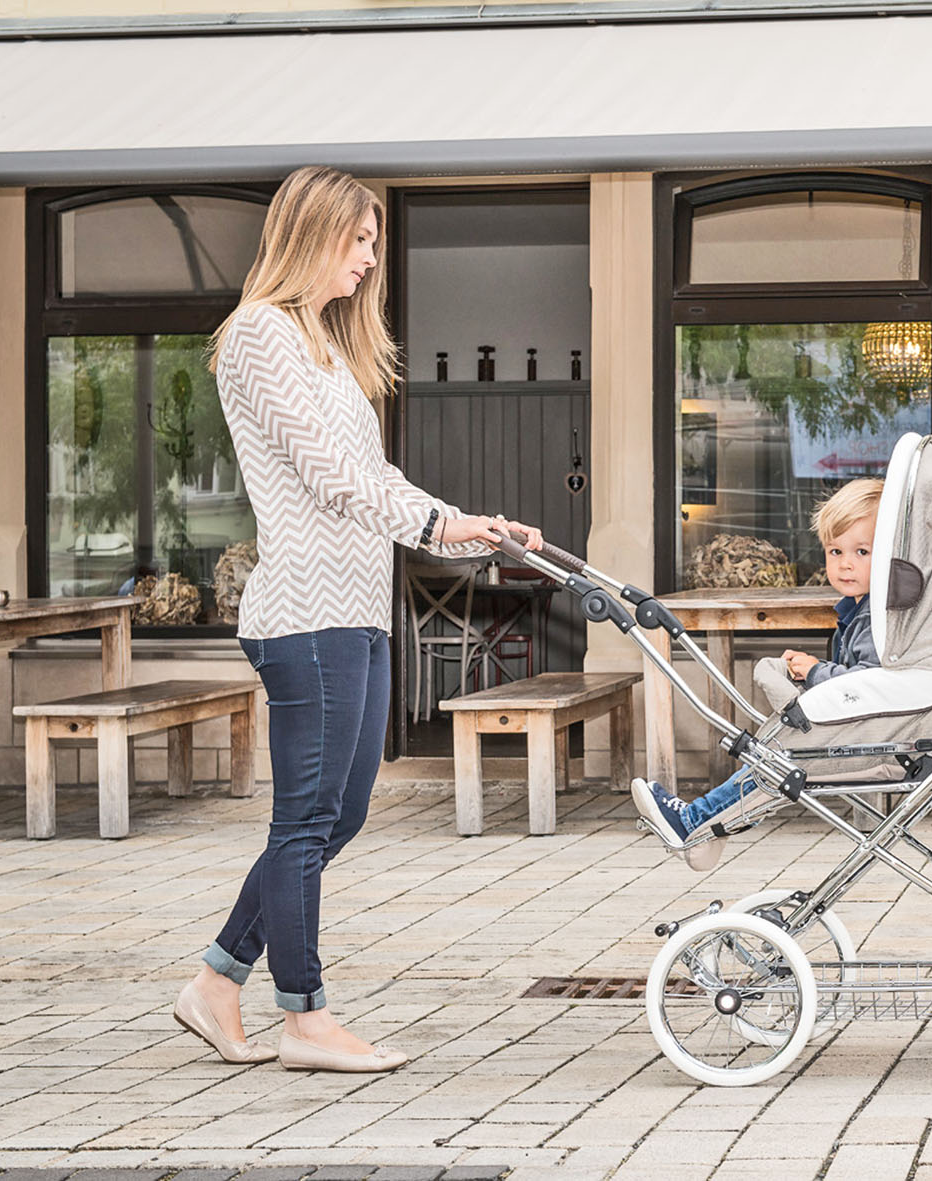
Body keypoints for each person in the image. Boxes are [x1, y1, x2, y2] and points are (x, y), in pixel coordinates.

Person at [172, 166, 543, 1074]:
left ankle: (218, 981)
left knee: (338, 819)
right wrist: (433, 526)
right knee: (304, 820)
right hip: (304, 612)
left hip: (358, 611)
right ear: (314, 235)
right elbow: (323, 477)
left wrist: (474, 532)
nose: (374, 261)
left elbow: (375, 480)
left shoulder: (329, 352)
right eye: (363, 241)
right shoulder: (260, 335)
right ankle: (305, 1018)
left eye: (377, 242)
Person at [632, 478, 883, 849]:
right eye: (834, 552)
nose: (845, 564)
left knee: (775, 759)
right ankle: (710, 825)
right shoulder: (861, 608)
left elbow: (869, 681)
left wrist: (815, 671)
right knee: (772, 755)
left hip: (866, 738)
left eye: (862, 552)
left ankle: (694, 822)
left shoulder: (876, 616)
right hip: (860, 730)